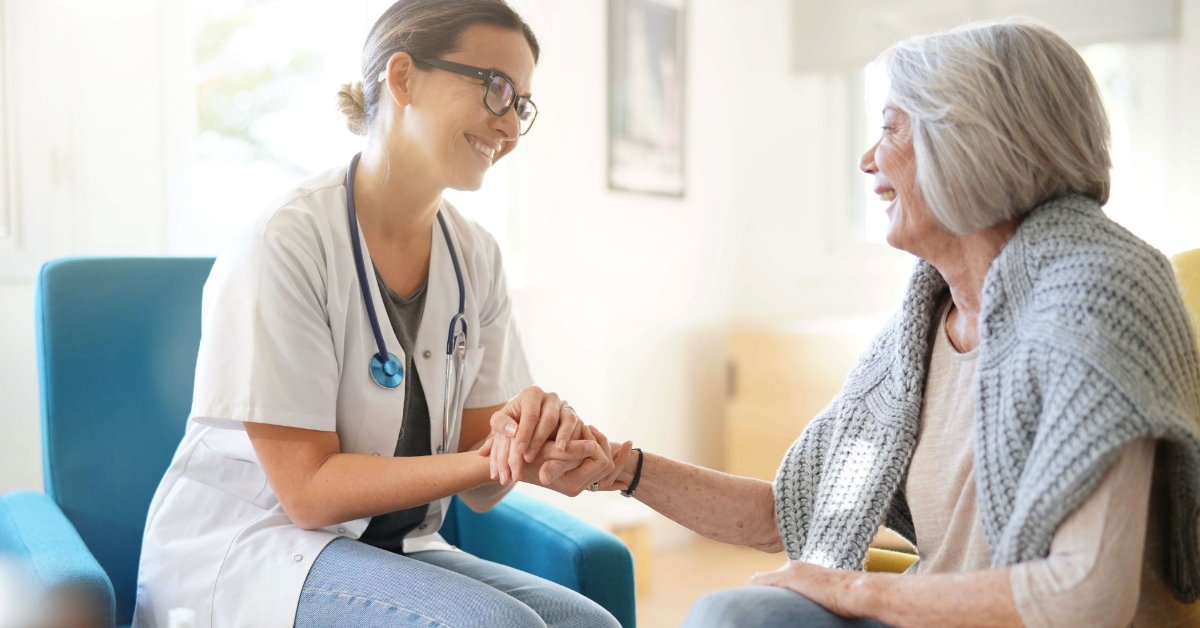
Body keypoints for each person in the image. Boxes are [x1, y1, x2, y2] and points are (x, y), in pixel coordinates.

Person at [492, 19, 1200, 627]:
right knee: (733, 615)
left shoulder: (1101, 295)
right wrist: (619, 468)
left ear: (972, 141)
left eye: (891, 129)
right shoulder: (922, 328)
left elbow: (1086, 597)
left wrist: (856, 589)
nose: (867, 160)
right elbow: (789, 514)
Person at [132, 1, 624, 626]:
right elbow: (308, 494)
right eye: (495, 88)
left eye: (521, 104)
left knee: (588, 623)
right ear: (403, 78)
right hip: (263, 549)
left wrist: (531, 441)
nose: (508, 126)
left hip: (392, 548)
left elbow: (481, 483)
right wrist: (485, 457)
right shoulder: (286, 240)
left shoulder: (476, 255)